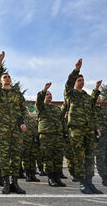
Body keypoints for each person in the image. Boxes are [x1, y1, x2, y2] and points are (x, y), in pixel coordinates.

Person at [64, 58, 102, 194]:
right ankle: (82, 183)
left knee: (90, 156)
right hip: (76, 129)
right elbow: (68, 83)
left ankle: (90, 182)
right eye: (79, 80)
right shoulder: (71, 94)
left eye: (82, 80)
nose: (81, 82)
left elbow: (92, 111)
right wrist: (76, 70)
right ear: (75, 82)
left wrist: (96, 128)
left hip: (88, 130)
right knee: (79, 156)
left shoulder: (86, 97)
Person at [0, 51, 27, 194]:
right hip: (3, 129)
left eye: (8, 77)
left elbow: (22, 110)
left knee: (16, 155)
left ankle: (15, 183)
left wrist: (22, 122)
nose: (6, 79)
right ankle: (6, 183)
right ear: (1, 81)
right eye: (4, 77)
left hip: (16, 129)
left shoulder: (17, 94)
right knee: (5, 155)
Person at [36, 82, 67, 187]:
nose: (49, 96)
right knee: (48, 158)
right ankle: (51, 178)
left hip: (58, 136)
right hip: (46, 136)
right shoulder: (41, 107)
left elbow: (62, 121)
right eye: (47, 95)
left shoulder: (57, 109)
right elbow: (39, 100)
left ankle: (57, 178)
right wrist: (44, 90)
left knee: (58, 158)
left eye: (50, 94)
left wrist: (64, 133)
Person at [95, 95, 107, 186]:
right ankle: (104, 177)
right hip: (98, 137)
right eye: (96, 97)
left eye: (99, 97)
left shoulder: (104, 110)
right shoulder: (91, 110)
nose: (98, 98)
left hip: (106, 136)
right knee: (100, 157)